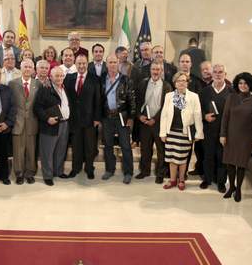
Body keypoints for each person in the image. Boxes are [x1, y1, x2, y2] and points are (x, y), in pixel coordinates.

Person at [220, 72, 252, 202]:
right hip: (230, 135)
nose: (243, 85)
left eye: (245, 83)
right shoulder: (231, 98)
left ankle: (238, 190)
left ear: (251, 85)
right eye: (240, 83)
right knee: (230, 163)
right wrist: (223, 134)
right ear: (237, 84)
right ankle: (231, 187)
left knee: (241, 164)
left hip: (246, 137)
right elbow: (225, 117)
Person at [160, 71, 204, 191]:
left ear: (187, 83)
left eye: (184, 80)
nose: (181, 83)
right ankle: (173, 180)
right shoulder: (169, 96)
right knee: (171, 158)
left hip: (185, 132)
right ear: (175, 83)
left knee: (182, 158)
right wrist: (162, 133)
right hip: (171, 132)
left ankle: (182, 180)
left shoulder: (194, 97)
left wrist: (199, 133)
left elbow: (197, 115)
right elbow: (164, 115)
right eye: (179, 81)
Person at [101, 54, 136, 184]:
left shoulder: (126, 80)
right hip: (107, 117)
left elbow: (132, 100)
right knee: (108, 145)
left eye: (115, 62)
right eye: (110, 62)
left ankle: (128, 172)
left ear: (118, 63)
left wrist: (131, 117)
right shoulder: (102, 79)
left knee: (125, 145)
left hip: (122, 116)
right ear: (106, 64)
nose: (112, 65)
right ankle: (110, 170)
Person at [65, 54, 101, 179]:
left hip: (90, 119)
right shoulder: (69, 78)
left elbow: (98, 100)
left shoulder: (95, 78)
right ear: (75, 64)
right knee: (76, 145)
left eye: (84, 63)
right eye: (79, 63)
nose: (81, 66)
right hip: (74, 119)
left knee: (90, 146)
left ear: (87, 63)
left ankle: (89, 168)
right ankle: (76, 168)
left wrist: (97, 118)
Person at [135, 62, 173, 183]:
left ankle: (160, 173)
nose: (156, 72)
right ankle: (144, 171)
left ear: (162, 71)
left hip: (159, 123)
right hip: (144, 122)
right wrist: (139, 116)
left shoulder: (167, 86)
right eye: (153, 69)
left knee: (161, 150)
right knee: (145, 149)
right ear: (150, 70)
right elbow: (137, 101)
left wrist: (155, 119)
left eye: (158, 69)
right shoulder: (143, 83)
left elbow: (166, 106)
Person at [33, 67, 71, 186]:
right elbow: (37, 108)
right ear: (51, 77)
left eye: (61, 76)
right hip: (50, 125)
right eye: (56, 76)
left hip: (64, 124)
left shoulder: (65, 88)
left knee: (60, 150)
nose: (59, 78)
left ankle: (58, 171)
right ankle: (48, 175)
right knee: (47, 152)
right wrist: (47, 118)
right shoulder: (45, 89)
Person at [198, 64, 232, 192]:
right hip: (208, 130)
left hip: (224, 132)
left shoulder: (232, 92)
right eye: (215, 72)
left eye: (220, 72)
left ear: (225, 74)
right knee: (208, 156)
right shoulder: (204, 91)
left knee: (222, 157)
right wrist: (204, 116)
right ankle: (207, 179)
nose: (218, 74)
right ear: (211, 75)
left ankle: (221, 182)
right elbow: (197, 110)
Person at [9, 59, 41, 185]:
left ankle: (30, 173)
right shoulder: (12, 84)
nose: (27, 69)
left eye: (30, 67)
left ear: (33, 69)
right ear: (21, 68)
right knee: (18, 150)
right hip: (18, 122)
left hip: (33, 122)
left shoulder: (38, 84)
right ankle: (19, 173)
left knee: (31, 150)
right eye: (25, 67)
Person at [178, 53, 205, 176]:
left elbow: (199, 102)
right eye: (182, 61)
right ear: (179, 63)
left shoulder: (197, 81)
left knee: (187, 147)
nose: (184, 64)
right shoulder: (173, 79)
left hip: (190, 120)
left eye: (187, 61)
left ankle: (183, 173)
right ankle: (173, 172)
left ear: (191, 64)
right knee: (175, 146)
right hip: (176, 120)